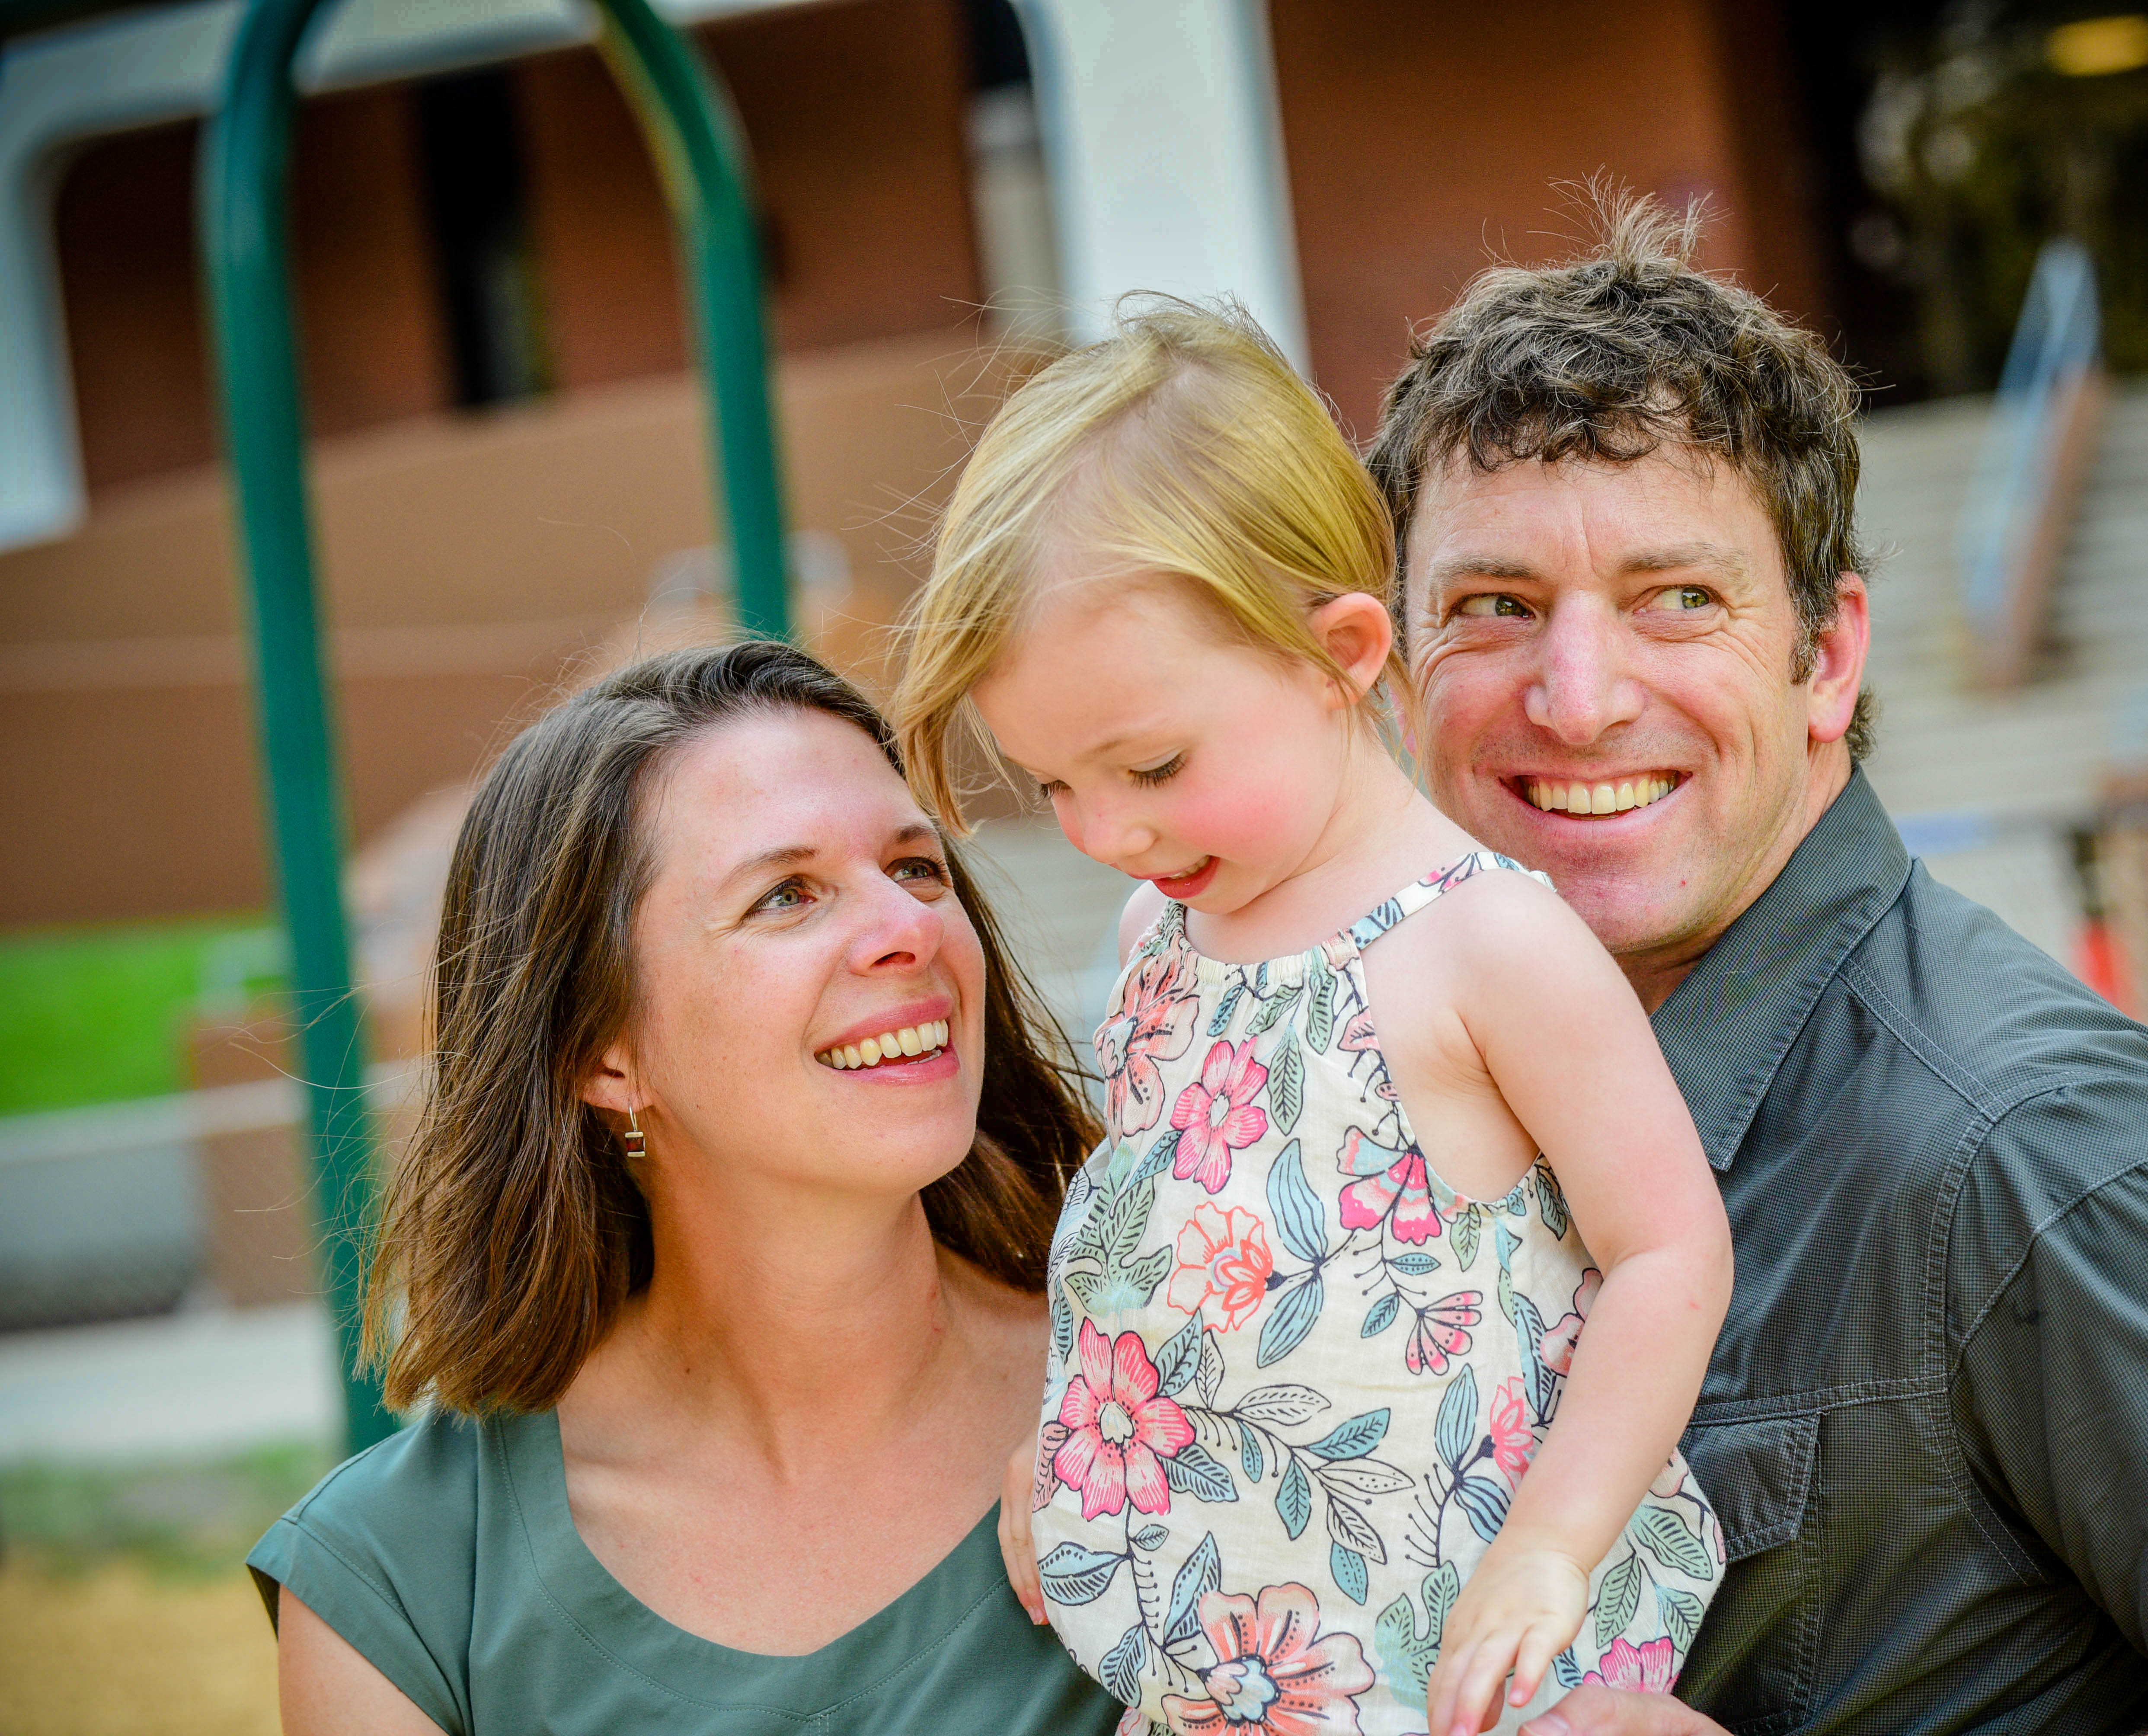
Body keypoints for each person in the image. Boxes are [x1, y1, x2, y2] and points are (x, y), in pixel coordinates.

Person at [1361, 198, 2148, 1736]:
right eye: (1492, 607)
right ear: (1395, 674)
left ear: (1829, 656)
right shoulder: (1383, 1085)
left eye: (1678, 598)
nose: (1578, 696)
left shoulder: (2036, 1151)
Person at [890, 299, 1734, 1736]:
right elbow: (1164, 1250)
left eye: (1149, 763)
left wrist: (1549, 1547)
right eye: (1053, 786)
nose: (1103, 828)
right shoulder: (1162, 931)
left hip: (1465, 1657)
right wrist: (1073, 1435)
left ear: (1339, 650)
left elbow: (1666, 1249)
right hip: (1236, 1669)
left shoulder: (1485, 941)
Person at [247, 641, 1122, 1735]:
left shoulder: (1181, 1396)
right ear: (604, 1050)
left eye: (915, 866)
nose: (911, 929)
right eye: (786, 895)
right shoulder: (400, 1583)